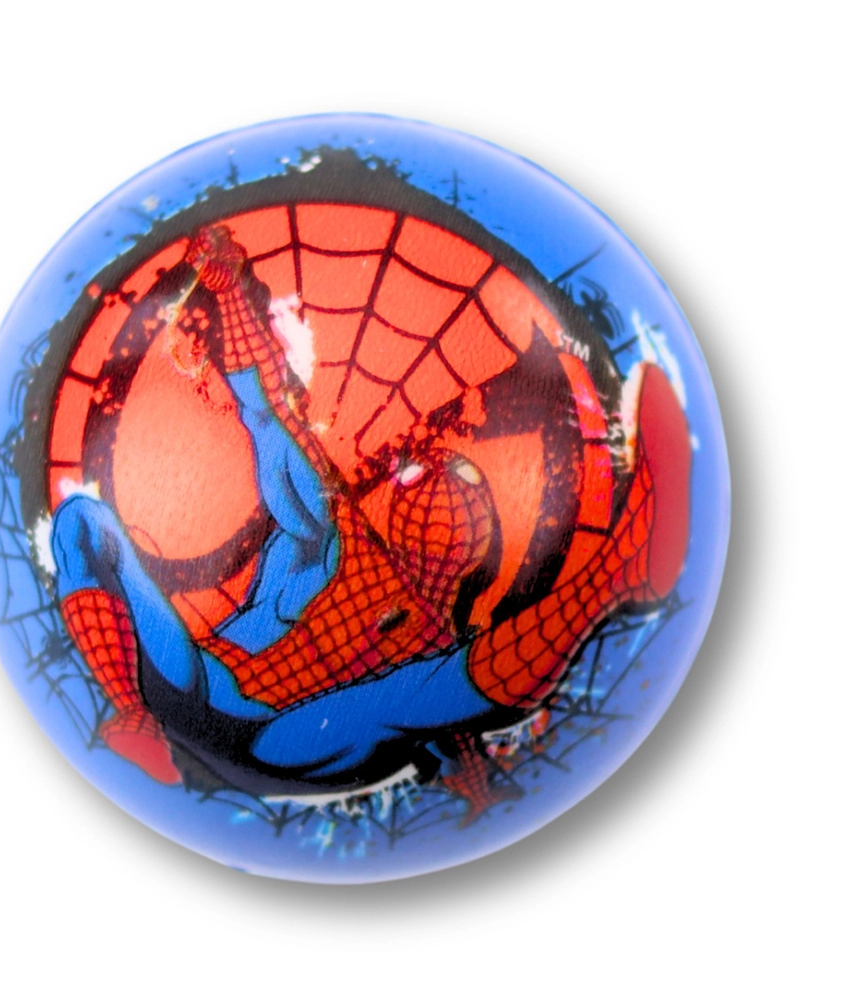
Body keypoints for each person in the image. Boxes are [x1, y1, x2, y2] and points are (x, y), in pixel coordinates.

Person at [51, 226, 688, 793]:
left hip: (283, 744)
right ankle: (132, 717)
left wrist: (474, 789)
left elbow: (455, 737)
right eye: (425, 474)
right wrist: (228, 290)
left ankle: (619, 575)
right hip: (196, 687)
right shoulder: (319, 544)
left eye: (453, 484)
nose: (433, 484)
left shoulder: (439, 641)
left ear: (475, 545)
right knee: (83, 521)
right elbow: (269, 416)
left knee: (403, 700)